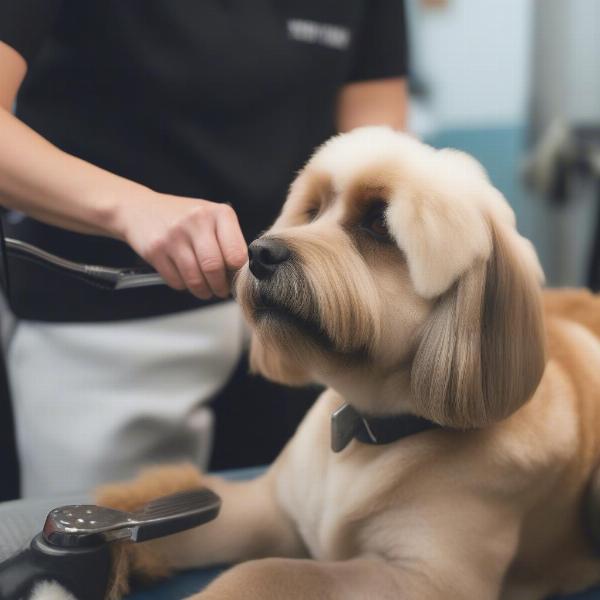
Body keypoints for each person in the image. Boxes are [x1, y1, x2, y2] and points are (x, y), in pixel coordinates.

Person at [0, 1, 409, 497]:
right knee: (107, 550)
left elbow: (375, 136)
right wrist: (129, 208)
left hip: (299, 322)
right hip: (108, 324)